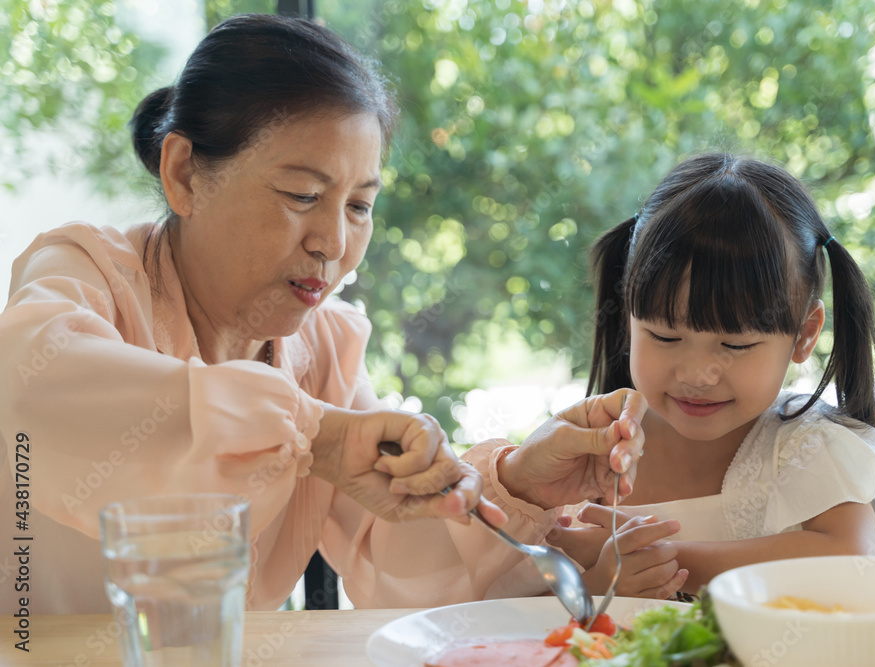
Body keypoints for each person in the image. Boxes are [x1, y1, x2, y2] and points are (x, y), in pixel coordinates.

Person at [0, 14, 647, 615]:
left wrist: (518, 482)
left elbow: (393, 562)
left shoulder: (323, 349)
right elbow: (29, 385)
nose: (333, 244)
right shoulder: (86, 272)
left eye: (360, 206)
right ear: (185, 174)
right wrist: (314, 437)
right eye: (302, 194)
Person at [542, 153, 875, 600]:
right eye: (665, 337)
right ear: (629, 317)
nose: (697, 374)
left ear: (804, 336)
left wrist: (665, 558)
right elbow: (516, 612)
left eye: (735, 346)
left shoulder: (801, 444)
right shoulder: (587, 449)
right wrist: (597, 584)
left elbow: (851, 559)